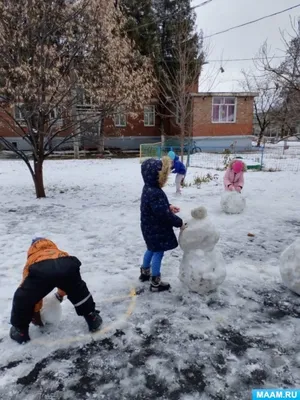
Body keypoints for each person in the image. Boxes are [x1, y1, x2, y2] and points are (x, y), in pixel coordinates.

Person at [10, 238, 102, 344]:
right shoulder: (60, 253)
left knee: (23, 297)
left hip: (41, 270)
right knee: (79, 291)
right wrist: (60, 295)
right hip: (67, 264)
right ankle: (92, 317)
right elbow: (64, 280)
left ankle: (21, 331)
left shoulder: (32, 259)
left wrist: (36, 314)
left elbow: (30, 294)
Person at [139, 157, 187, 292]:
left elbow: (155, 207)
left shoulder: (148, 188)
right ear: (158, 176)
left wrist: (168, 206)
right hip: (157, 228)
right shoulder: (156, 192)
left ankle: (144, 272)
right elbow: (163, 214)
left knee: (151, 248)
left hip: (148, 226)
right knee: (158, 252)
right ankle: (155, 281)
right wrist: (179, 222)